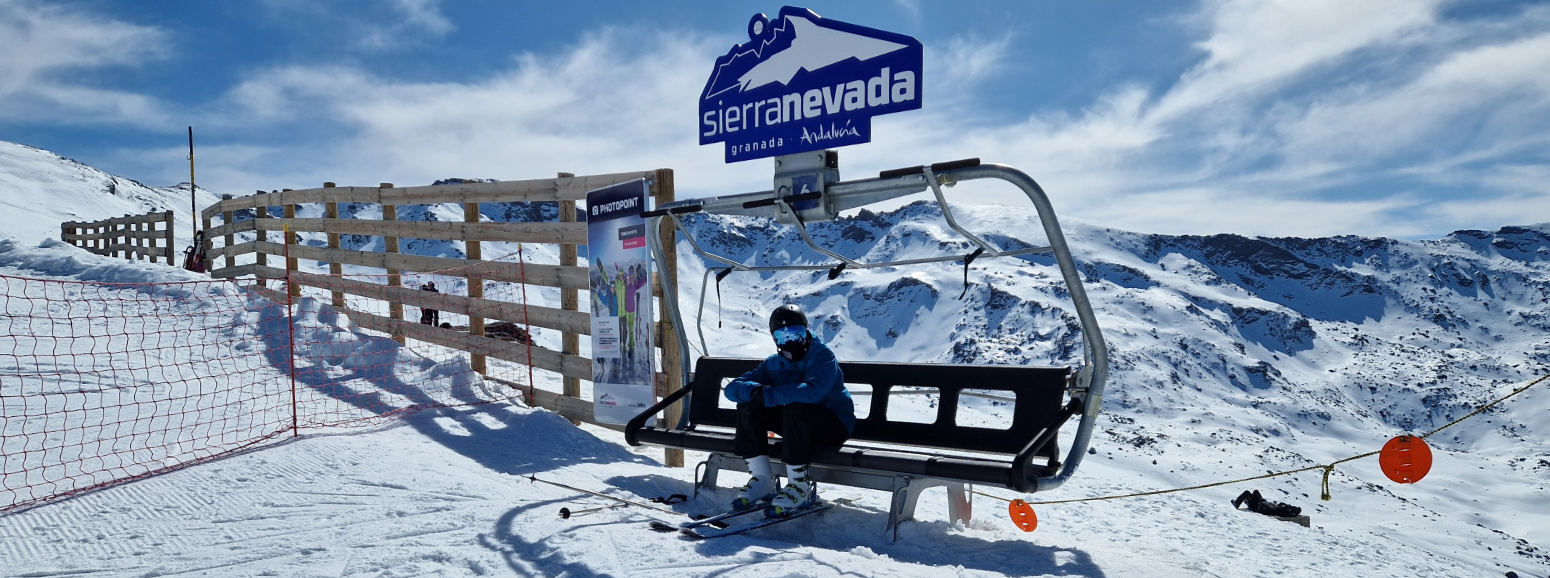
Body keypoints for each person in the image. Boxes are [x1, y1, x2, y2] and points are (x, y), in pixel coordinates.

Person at [723, 304, 854, 516]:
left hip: (834, 424)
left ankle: (800, 485)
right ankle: (762, 478)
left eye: (796, 333)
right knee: (748, 405)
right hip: (798, 426)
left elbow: (813, 392)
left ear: (806, 330)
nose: (790, 341)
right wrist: (755, 391)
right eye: (782, 336)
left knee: (796, 406)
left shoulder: (823, 356)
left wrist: (770, 395)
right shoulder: (774, 363)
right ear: (774, 339)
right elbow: (732, 389)